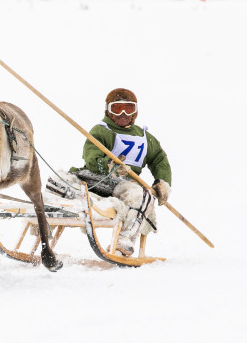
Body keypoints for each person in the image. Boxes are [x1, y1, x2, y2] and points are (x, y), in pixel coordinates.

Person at [71, 88, 172, 256]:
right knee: (62, 179)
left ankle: (124, 240)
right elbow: (91, 155)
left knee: (144, 195)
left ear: (135, 112)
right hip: (97, 179)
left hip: (125, 186)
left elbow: (159, 159)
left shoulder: (145, 137)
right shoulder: (102, 130)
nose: (123, 114)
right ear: (108, 111)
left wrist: (162, 182)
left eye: (129, 109)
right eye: (117, 109)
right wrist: (108, 165)